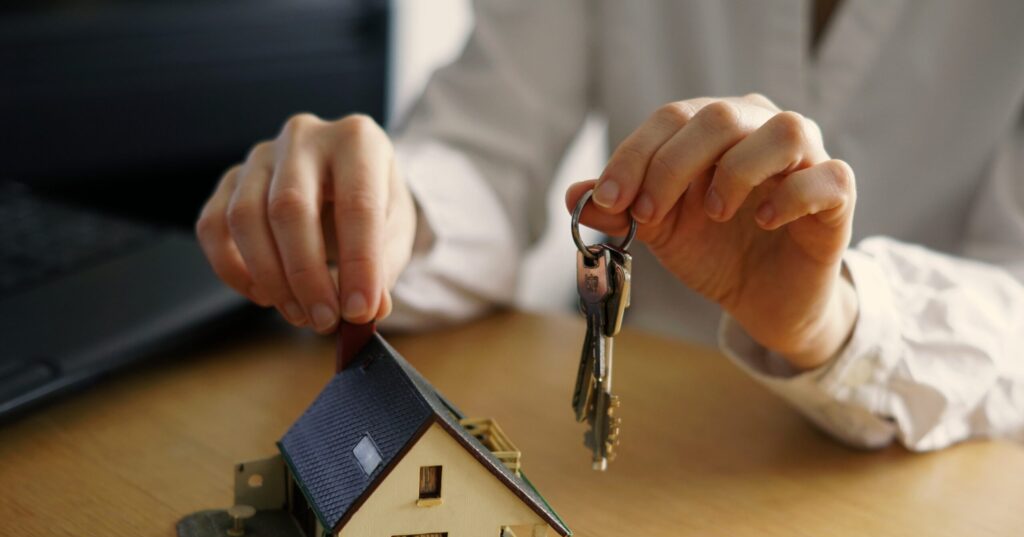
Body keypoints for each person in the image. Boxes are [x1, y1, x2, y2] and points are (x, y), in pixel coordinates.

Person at [194, 0, 1024, 452]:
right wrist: (390, 207)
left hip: (927, 490)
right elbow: (485, 147)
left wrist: (836, 319)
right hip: (638, 473)